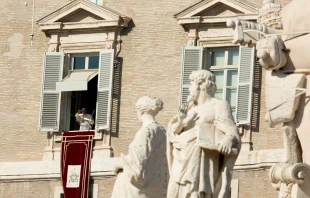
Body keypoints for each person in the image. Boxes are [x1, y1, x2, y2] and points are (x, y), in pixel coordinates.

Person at [167, 70, 241, 198]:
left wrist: (229, 138)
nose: (189, 89)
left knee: (198, 192)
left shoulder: (218, 105)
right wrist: (181, 121)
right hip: (181, 158)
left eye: (191, 84)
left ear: (200, 85)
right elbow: (173, 133)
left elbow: (230, 129)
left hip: (204, 160)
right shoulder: (189, 109)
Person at [111, 96, 167, 198]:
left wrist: (120, 163)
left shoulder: (145, 132)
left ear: (140, 112)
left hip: (136, 191)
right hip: (157, 190)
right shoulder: (164, 132)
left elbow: (137, 171)